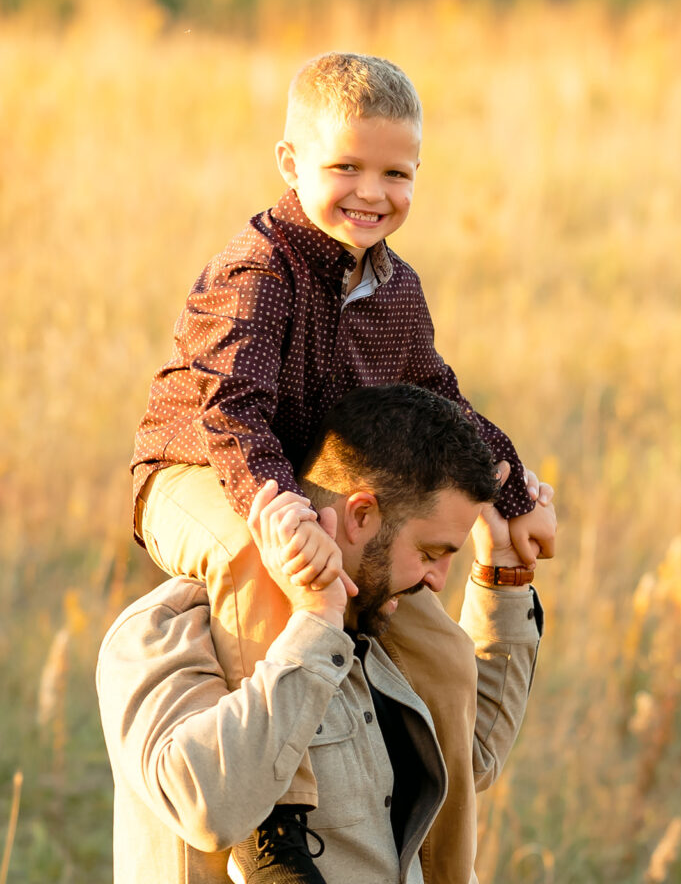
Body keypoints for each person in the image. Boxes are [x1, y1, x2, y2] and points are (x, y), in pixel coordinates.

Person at [130, 52, 556, 882]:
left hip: (300, 479)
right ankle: (277, 822)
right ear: (291, 163)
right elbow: (229, 405)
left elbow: (437, 393)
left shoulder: (396, 288)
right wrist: (277, 505)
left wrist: (510, 483)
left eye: (397, 172)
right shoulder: (258, 269)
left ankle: (449, 859)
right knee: (264, 560)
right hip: (199, 474)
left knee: (434, 639)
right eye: (345, 167)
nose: (373, 191)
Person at [101, 385, 550, 884]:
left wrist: (503, 574)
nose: (438, 580)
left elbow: (470, 758)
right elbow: (206, 806)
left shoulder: (378, 625)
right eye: (428, 552)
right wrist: (313, 629)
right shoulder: (168, 631)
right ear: (360, 515)